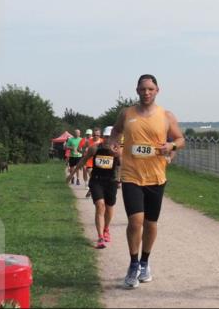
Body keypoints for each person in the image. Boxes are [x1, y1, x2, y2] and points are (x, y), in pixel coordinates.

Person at [110, 75, 184, 289]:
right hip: (131, 175)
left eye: (150, 89)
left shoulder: (166, 116)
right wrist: (114, 143)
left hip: (156, 176)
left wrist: (171, 147)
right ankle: (133, 264)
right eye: (143, 89)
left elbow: (180, 139)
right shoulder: (126, 113)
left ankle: (145, 262)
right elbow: (115, 131)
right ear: (137, 90)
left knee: (151, 224)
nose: (146, 92)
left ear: (157, 90)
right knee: (135, 222)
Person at [77, 127, 121, 248]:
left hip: (111, 182)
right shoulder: (95, 148)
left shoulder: (117, 150)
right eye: (106, 137)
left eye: (110, 137)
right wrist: (72, 174)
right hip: (96, 181)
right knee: (100, 205)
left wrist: (119, 180)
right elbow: (84, 159)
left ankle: (106, 229)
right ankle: (100, 237)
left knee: (109, 207)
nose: (108, 139)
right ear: (103, 137)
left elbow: (120, 166)